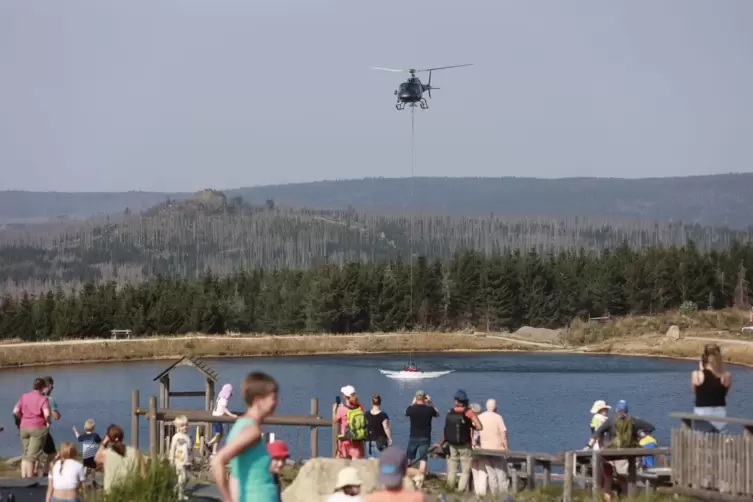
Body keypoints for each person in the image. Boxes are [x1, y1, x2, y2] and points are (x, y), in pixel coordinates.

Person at [211, 371, 280, 502]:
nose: (277, 402)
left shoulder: (241, 425)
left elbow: (236, 475)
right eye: (273, 397)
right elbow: (218, 460)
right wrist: (227, 499)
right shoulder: (251, 430)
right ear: (258, 400)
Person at [586, 400, 655, 501]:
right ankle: (628, 498)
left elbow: (597, 433)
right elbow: (651, 427)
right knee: (626, 477)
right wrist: (640, 434)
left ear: (616, 410)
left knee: (609, 477)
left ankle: (609, 498)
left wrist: (588, 445)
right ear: (626, 410)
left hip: (612, 454)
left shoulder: (610, 420)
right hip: (629, 454)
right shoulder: (633, 420)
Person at [441, 389, 482, 493]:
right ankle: (460, 491)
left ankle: (449, 490)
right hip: (465, 445)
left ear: (455, 400)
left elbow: (445, 429)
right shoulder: (468, 412)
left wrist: (440, 442)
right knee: (465, 471)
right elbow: (479, 426)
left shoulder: (450, 411)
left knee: (452, 470)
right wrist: (471, 426)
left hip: (452, 445)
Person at [13, 377, 51, 478]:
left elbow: (15, 411)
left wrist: (23, 418)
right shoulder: (43, 399)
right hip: (37, 427)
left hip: (24, 427)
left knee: (26, 455)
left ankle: (24, 478)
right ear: (43, 387)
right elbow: (46, 414)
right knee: (32, 458)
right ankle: (30, 481)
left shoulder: (24, 396)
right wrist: (48, 423)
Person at [692, 343, 732, 433]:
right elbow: (723, 394)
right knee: (719, 442)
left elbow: (697, 393)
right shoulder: (726, 376)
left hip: (701, 412)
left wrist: (702, 370)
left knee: (700, 442)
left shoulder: (696, 375)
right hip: (719, 412)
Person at [95, 424, 147, 492]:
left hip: (111, 495)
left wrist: (104, 443)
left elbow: (96, 459)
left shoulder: (105, 454)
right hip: (130, 493)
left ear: (109, 438)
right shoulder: (136, 453)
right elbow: (144, 476)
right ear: (123, 437)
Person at [404, 390, 439, 488]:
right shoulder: (429, 409)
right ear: (424, 398)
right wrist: (431, 402)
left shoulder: (412, 409)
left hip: (413, 436)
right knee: (423, 459)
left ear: (416, 398)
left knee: (409, 458)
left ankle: (407, 478)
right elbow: (437, 414)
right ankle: (420, 482)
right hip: (425, 437)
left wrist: (412, 403)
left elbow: (405, 412)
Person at [477, 398, 509, 495]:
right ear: (496, 408)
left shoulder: (480, 417)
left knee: (491, 475)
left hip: (485, 450)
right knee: (501, 475)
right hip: (498, 450)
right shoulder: (498, 417)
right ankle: (503, 495)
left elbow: (475, 433)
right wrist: (506, 448)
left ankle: (494, 495)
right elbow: (503, 435)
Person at [334, 385, 367, 459]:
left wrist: (334, 409)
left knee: (343, 466)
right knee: (357, 467)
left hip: (346, 441)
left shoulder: (341, 409)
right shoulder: (360, 407)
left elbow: (335, 421)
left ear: (345, 397)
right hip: (358, 441)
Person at [207, 383, 238, 455]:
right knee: (218, 434)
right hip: (217, 418)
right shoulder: (224, 400)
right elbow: (224, 409)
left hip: (216, 416)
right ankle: (209, 443)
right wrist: (232, 415)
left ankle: (214, 451)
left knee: (220, 435)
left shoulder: (219, 397)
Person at [169, 415, 192, 501]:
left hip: (186, 461)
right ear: (178, 427)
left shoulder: (188, 437)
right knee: (182, 478)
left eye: (186, 425)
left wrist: (191, 459)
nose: (185, 427)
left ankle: (176, 489)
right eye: (182, 426)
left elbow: (189, 450)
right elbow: (172, 448)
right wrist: (171, 459)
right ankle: (180, 495)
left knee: (186, 478)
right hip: (179, 460)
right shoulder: (176, 437)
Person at [41, 376, 61, 476]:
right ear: (48, 386)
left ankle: (33, 474)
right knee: (52, 453)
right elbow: (56, 416)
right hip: (44, 429)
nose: (52, 389)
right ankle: (46, 474)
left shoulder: (33, 396)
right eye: (52, 387)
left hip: (29, 428)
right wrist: (58, 414)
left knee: (34, 453)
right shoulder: (49, 399)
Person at [468, 403, 486, 497]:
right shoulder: (479, 423)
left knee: (474, 471)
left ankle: (476, 492)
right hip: (479, 448)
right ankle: (481, 493)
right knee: (482, 471)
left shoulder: (467, 421)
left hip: (470, 448)